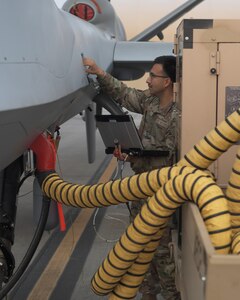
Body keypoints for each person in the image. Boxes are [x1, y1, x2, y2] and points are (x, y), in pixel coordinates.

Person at [83, 56, 180, 300]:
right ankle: (148, 294)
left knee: (162, 256)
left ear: (167, 81)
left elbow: (174, 158)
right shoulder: (150, 102)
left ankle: (171, 295)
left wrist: (138, 155)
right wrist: (98, 72)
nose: (148, 80)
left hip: (163, 199)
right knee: (139, 257)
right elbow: (123, 93)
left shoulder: (181, 115)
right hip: (140, 192)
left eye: (153, 76)